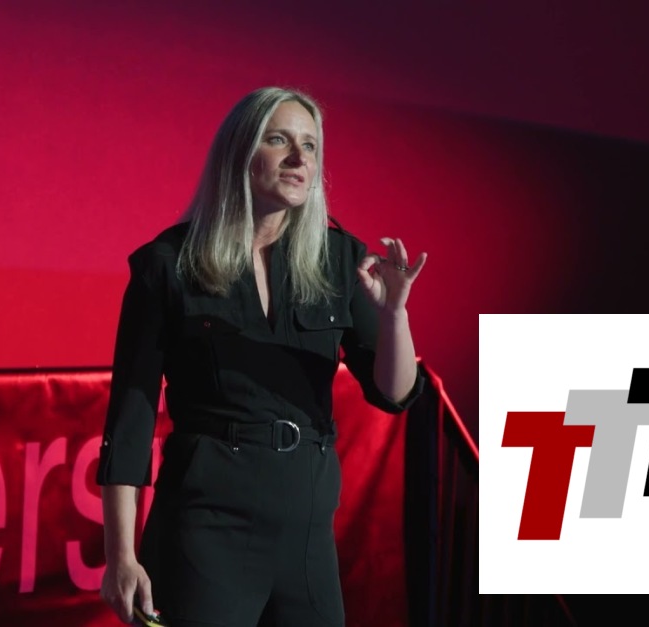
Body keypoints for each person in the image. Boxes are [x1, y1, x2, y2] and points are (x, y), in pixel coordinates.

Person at [96, 86, 426, 627]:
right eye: (279, 141)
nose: (299, 158)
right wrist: (121, 555)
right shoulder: (168, 264)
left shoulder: (339, 259)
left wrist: (394, 315)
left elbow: (394, 393)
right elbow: (129, 422)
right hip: (206, 529)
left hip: (308, 537)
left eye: (310, 146)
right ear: (240, 153)